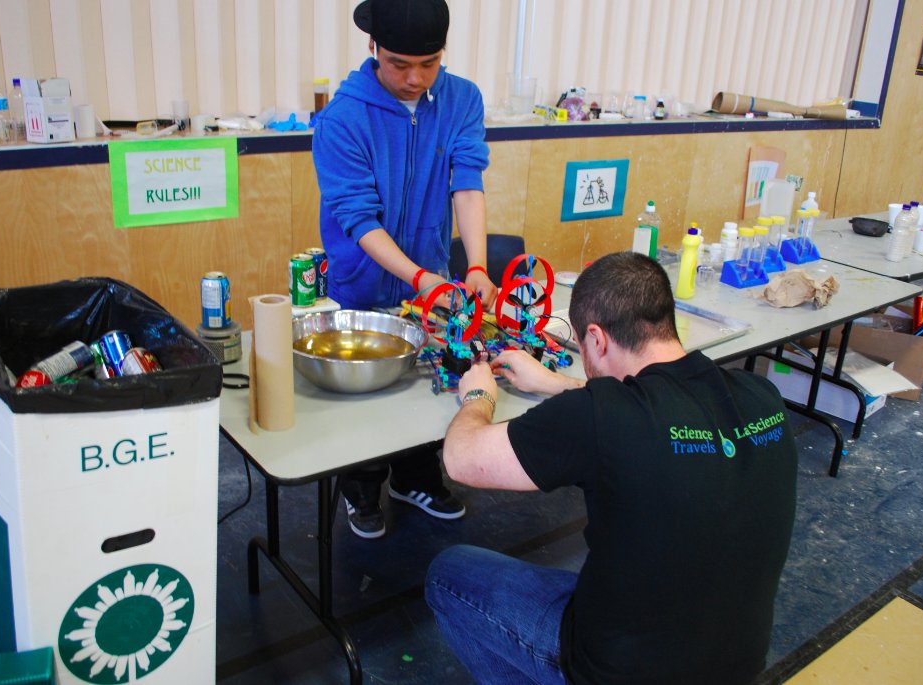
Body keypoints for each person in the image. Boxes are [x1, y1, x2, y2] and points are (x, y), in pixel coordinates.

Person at [426, 252, 798, 684]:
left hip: (617, 673)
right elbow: (649, 409)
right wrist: (557, 383)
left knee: (449, 573)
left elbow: (461, 458)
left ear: (597, 340)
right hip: (736, 667)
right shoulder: (762, 397)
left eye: (583, 350)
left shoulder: (599, 418)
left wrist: (478, 396)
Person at [312, 0, 498, 539]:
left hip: (433, 276)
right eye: (398, 64)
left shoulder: (462, 100)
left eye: (429, 63)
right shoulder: (343, 118)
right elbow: (357, 217)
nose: (415, 78)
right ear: (373, 49)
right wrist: (418, 278)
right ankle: (362, 487)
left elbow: (468, 182)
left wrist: (478, 266)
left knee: (429, 383)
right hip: (364, 282)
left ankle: (414, 477)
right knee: (365, 393)